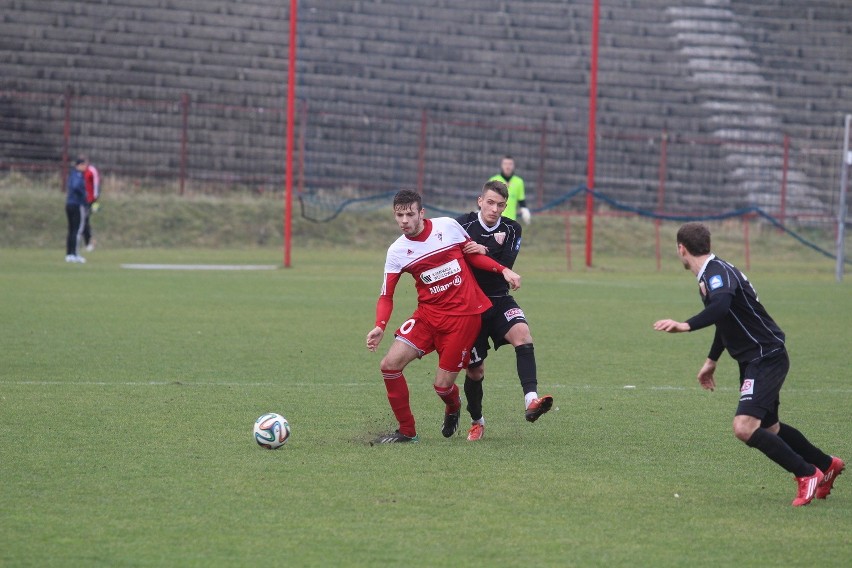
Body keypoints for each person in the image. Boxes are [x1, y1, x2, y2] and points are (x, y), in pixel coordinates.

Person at [653, 222, 844, 506]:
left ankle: (807, 473)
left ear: (681, 248)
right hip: (757, 357)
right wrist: (711, 360)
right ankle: (827, 465)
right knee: (770, 428)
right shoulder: (712, 274)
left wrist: (685, 325)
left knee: (744, 427)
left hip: (765, 357)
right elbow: (725, 319)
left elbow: (720, 308)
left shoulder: (718, 274)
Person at [366, 189, 522, 444]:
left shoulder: (448, 227)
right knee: (389, 366)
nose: (404, 220)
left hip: (463, 319)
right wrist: (379, 326)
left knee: (442, 387)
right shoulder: (397, 251)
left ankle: (453, 405)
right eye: (399, 215)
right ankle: (407, 432)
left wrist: (503, 270)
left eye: (410, 214)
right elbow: (386, 295)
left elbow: (472, 256)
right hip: (428, 317)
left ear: (421, 213)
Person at [456, 180, 553, 441]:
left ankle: (531, 401)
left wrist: (482, 250)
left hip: (499, 300)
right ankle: (477, 421)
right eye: (490, 203)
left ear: (506, 206)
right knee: (475, 372)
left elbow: (506, 264)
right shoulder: (462, 225)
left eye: (500, 205)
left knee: (523, 334)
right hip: (470, 306)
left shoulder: (512, 228)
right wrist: (477, 254)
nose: (494, 209)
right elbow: (457, 259)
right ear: (480, 200)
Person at [489, 155, 531, 225]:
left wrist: (525, 210)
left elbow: (521, 200)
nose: (507, 166)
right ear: (502, 165)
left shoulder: (519, 182)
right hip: (495, 221)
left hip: (511, 221)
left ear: (513, 166)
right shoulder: (494, 180)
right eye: (505, 164)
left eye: (510, 164)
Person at [65, 157, 88, 263]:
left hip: (69, 204)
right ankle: (75, 253)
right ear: (78, 165)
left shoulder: (72, 175)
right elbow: (76, 187)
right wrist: (84, 195)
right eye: (83, 165)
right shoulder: (78, 176)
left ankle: (69, 254)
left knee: (71, 230)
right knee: (77, 230)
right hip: (77, 205)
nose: (85, 167)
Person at [82, 157, 100, 252]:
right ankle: (87, 242)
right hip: (80, 200)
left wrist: (95, 200)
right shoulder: (80, 172)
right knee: (81, 221)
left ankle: (89, 242)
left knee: (85, 220)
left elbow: (96, 185)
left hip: (89, 200)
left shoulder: (91, 171)